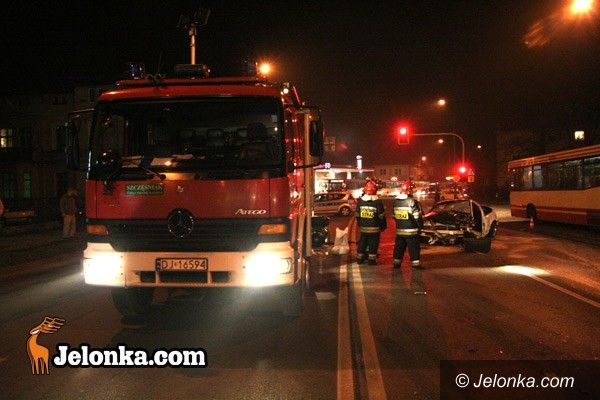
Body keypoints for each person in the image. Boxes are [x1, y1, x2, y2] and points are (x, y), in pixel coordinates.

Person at [392, 185, 423, 269]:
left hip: (400, 230)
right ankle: (415, 264)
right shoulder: (412, 201)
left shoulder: (396, 202)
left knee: (399, 248)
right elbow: (417, 217)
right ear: (409, 192)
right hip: (411, 231)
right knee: (414, 248)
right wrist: (420, 227)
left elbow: (394, 216)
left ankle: (396, 263)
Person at [356, 180, 386, 265]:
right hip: (374, 228)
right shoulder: (378, 202)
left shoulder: (360, 201)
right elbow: (381, 216)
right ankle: (371, 260)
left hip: (363, 228)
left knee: (362, 243)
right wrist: (383, 226)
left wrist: (360, 223)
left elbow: (357, 214)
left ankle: (360, 259)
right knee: (373, 244)